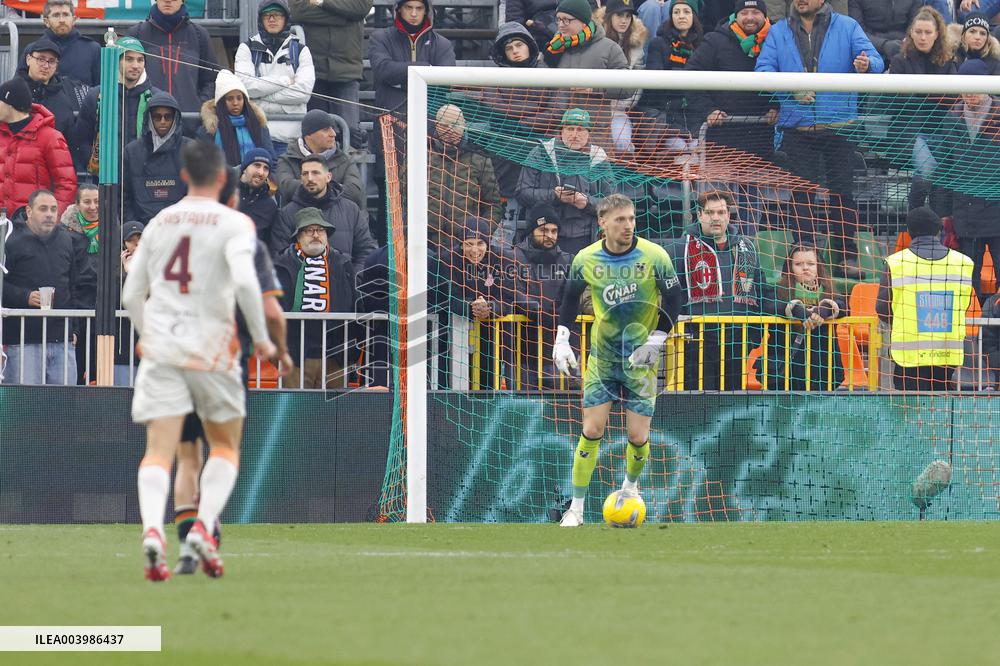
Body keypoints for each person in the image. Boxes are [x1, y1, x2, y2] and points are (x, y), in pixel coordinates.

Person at [122, 141, 277, 581]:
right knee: (224, 446)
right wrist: (262, 339)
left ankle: (153, 530)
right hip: (213, 349)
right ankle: (204, 530)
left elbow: (132, 293)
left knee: (160, 450)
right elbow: (247, 285)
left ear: (184, 175)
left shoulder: (159, 221)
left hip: (165, 348)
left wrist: (147, 333)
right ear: (223, 177)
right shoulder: (235, 223)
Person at [172, 165, 292, 575]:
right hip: (224, 359)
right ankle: (207, 526)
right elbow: (268, 305)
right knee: (222, 448)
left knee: (188, 453)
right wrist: (271, 343)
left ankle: (190, 533)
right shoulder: (246, 245)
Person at [553, 193, 681, 527]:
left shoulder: (654, 256)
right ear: (603, 223)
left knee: (638, 437)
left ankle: (630, 489)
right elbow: (568, 299)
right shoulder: (586, 258)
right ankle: (576, 510)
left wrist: (657, 340)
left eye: (632, 219)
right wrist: (562, 339)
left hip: (641, 360)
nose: (628, 226)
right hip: (603, 358)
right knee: (592, 429)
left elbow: (674, 298)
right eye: (620, 220)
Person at [755, 0, 884, 278]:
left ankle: (846, 258)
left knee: (842, 195)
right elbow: (762, 70)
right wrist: (791, 88)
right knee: (801, 195)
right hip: (798, 131)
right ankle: (803, 258)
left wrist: (866, 64)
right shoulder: (778, 31)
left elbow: (877, 62)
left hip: (841, 129)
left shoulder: (848, 26)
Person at [665, 189, 781, 390]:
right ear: (699, 215)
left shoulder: (747, 247)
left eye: (721, 212)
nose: (716, 218)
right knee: (695, 402)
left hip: (736, 342)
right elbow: (669, 295)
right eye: (710, 213)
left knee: (730, 403)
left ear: (729, 215)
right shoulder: (678, 248)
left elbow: (763, 293)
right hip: (695, 343)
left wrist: (756, 334)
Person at [369, 0, 455, 244]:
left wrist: (402, 76)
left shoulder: (443, 43)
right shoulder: (380, 38)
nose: (414, 13)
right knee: (389, 197)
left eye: (419, 8)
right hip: (390, 132)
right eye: (409, 8)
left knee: (427, 195)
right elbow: (383, 70)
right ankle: (388, 255)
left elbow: (446, 79)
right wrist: (424, 70)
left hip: (429, 133)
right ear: (398, 10)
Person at [0, 189, 96, 385]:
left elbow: (73, 286)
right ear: (29, 211)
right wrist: (24, 296)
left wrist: (74, 330)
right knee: (25, 407)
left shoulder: (66, 240)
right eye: (43, 209)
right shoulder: (10, 240)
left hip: (63, 339)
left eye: (53, 209)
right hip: (23, 340)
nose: (50, 214)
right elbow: (2, 285)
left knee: (61, 409)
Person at [876, 206, 974, 390]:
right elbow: (964, 304)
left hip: (908, 356)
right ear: (939, 229)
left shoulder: (897, 262)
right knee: (940, 407)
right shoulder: (963, 262)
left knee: (910, 410)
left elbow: (882, 309)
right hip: (947, 353)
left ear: (909, 232)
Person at [934, 58, 1000, 298]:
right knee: (966, 283)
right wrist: (943, 214)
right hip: (965, 216)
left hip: (997, 213)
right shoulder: (950, 120)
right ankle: (972, 334)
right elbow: (943, 169)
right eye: (965, 86)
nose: (969, 92)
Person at [273, 207, 358, 389]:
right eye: (308, 230)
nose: (315, 235)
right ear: (298, 236)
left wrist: (350, 352)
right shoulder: (281, 265)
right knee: (295, 410)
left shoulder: (342, 263)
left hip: (335, 354)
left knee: (334, 414)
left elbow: (355, 305)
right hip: (295, 355)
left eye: (320, 230)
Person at [684, 0, 779, 159]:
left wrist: (776, 106)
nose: (750, 17)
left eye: (755, 12)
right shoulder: (714, 41)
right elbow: (690, 76)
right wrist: (708, 109)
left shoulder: (777, 40)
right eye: (744, 13)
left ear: (765, 15)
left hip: (761, 139)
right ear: (735, 15)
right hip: (721, 139)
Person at [516, 108, 614, 255]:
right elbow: (522, 193)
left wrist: (587, 203)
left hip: (584, 236)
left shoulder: (599, 157)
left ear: (589, 133)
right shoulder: (541, 152)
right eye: (570, 128)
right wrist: (554, 196)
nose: (575, 135)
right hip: (544, 234)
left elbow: (613, 203)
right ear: (561, 130)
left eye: (580, 129)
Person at [888, 7, 957, 211]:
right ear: (911, 32)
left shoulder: (948, 62)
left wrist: (920, 93)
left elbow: (952, 97)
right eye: (918, 32)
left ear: (937, 34)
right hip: (911, 131)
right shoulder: (899, 61)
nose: (923, 37)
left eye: (928, 32)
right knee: (926, 171)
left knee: (940, 181)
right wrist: (933, 95)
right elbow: (898, 100)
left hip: (943, 131)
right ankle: (914, 223)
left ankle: (936, 234)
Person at [234, 0, 317, 154]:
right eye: (267, 15)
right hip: (256, 137)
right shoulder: (246, 48)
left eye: (277, 15)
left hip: (291, 141)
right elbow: (245, 88)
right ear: (261, 19)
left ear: (286, 19)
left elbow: (303, 93)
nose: (272, 19)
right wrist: (284, 82)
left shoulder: (301, 50)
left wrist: (260, 99)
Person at [272, 154, 377, 272]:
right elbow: (280, 257)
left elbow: (366, 250)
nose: (310, 178)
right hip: (303, 288)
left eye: (316, 173)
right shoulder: (287, 214)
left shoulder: (351, 210)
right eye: (305, 174)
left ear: (328, 177)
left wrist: (352, 281)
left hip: (344, 287)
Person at [289, 0, 371, 147]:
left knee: (350, 132)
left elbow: (361, 7)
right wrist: (343, 17)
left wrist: (322, 3)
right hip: (314, 70)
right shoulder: (344, 17)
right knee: (315, 134)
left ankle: (349, 170)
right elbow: (298, 10)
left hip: (347, 70)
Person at [76, 37, 160, 175]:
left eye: (140, 60)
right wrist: (96, 167)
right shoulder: (95, 95)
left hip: (144, 177)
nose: (135, 65)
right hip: (105, 178)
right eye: (129, 59)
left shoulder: (156, 97)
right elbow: (82, 140)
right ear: (116, 60)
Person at [511, 204, 574, 388]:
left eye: (554, 231)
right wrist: (546, 314)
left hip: (559, 349)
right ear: (532, 231)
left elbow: (572, 297)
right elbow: (515, 294)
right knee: (523, 409)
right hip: (521, 350)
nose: (550, 235)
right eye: (544, 230)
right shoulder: (513, 256)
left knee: (562, 408)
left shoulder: (569, 260)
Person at [766, 244, 846, 389]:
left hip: (823, 367)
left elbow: (845, 306)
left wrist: (825, 309)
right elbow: (770, 306)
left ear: (818, 266)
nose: (805, 268)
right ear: (789, 267)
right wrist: (796, 309)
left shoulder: (829, 290)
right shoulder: (778, 290)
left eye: (811, 264)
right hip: (786, 368)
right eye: (798, 264)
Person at [127, 0, 219, 116]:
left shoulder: (199, 35)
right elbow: (125, 78)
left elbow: (211, 80)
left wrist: (199, 107)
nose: (168, 0)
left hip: (190, 122)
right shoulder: (137, 34)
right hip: (146, 120)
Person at [426, 104, 502, 245]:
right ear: (436, 125)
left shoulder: (479, 159)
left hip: (465, 246)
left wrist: (480, 235)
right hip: (426, 243)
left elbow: (493, 205)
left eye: (455, 124)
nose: (449, 129)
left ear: (464, 125)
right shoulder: (421, 156)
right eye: (444, 125)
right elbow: (404, 201)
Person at [0, 77, 77, 215]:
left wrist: (51, 219)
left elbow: (66, 185)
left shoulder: (50, 137)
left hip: (32, 228)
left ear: (10, 104)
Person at [123, 92, 192, 224]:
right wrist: (135, 229)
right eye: (156, 117)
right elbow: (125, 198)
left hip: (181, 227)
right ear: (149, 118)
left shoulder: (191, 149)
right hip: (142, 230)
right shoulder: (131, 151)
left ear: (175, 118)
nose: (162, 121)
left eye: (168, 117)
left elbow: (198, 195)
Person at [274, 109, 365, 208]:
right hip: (300, 219)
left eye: (332, 128)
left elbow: (355, 191)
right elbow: (287, 188)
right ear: (308, 135)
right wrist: (327, 188)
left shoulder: (345, 160)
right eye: (326, 129)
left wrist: (319, 188)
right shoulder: (287, 160)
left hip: (337, 219)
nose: (333, 134)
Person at [639, 0, 705, 134]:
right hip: (664, 115)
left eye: (686, 12)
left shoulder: (703, 46)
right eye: (676, 12)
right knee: (679, 147)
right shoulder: (658, 43)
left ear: (694, 16)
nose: (681, 16)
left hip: (693, 115)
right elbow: (655, 84)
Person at [594, 0, 648, 153]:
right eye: (619, 15)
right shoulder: (594, 41)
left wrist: (622, 103)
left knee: (622, 144)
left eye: (628, 16)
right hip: (593, 108)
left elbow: (637, 85)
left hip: (620, 110)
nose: (624, 20)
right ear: (609, 16)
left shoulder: (637, 47)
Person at [197, 70, 275, 168]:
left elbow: (271, 159)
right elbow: (202, 165)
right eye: (230, 99)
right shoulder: (208, 130)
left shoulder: (258, 125)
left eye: (239, 98)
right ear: (221, 102)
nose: (235, 103)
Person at [20, 0, 100, 86]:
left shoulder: (92, 49)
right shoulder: (32, 49)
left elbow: (101, 89)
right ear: (46, 22)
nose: (62, 20)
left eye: (66, 15)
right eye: (56, 15)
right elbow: (19, 86)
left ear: (74, 19)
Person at [16, 39, 79, 143]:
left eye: (52, 61)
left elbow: (69, 141)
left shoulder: (63, 99)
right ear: (28, 59)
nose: (46, 66)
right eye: (41, 59)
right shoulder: (12, 93)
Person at [848, 0, 922, 64]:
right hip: (869, 50)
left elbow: (915, 27)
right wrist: (884, 45)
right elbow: (856, 32)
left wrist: (905, 43)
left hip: (903, 48)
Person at [238, 148, 280, 248]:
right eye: (257, 165)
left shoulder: (270, 206)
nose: (261, 172)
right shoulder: (225, 193)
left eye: (266, 168)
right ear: (244, 168)